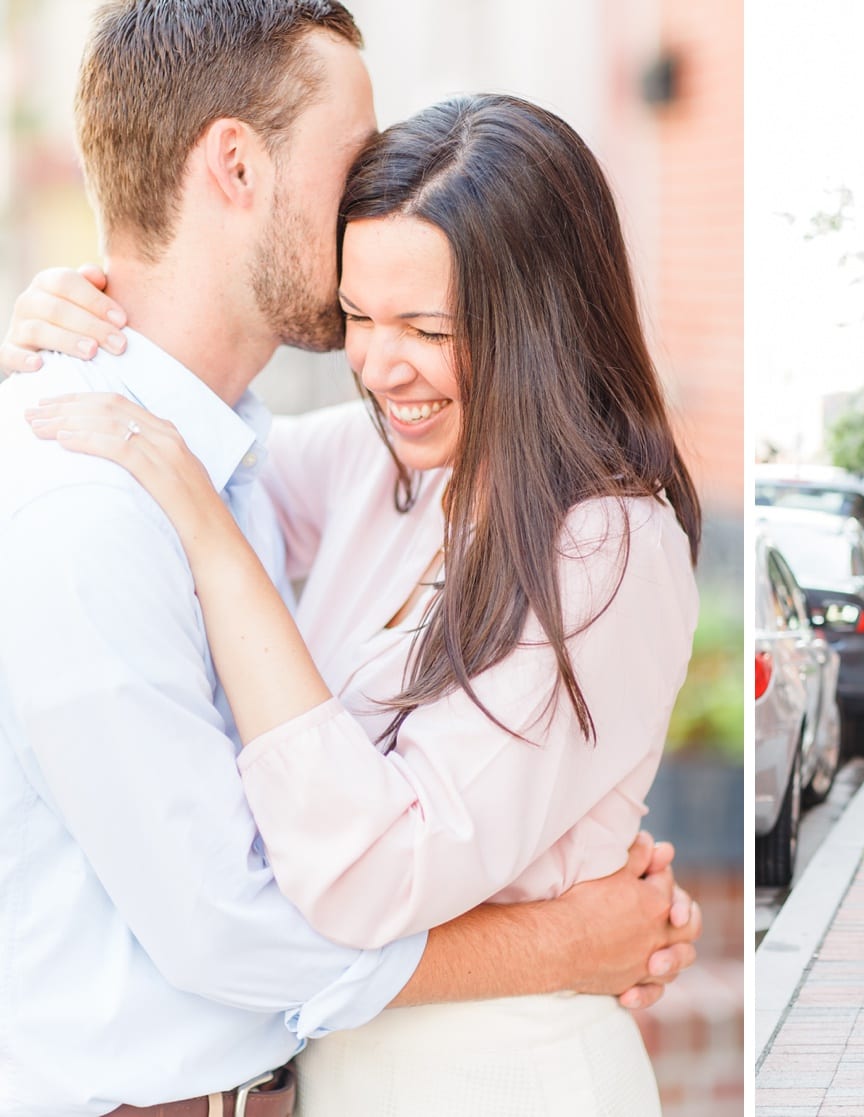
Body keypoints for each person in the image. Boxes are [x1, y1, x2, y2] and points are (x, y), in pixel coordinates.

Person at [0, 5, 697, 1116]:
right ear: (236, 163)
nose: (382, 363)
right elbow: (234, 918)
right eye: (354, 154)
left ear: (524, 321)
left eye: (427, 325)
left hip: (501, 1081)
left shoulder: (584, 535)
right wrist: (557, 936)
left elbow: (393, 845)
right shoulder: (210, 481)